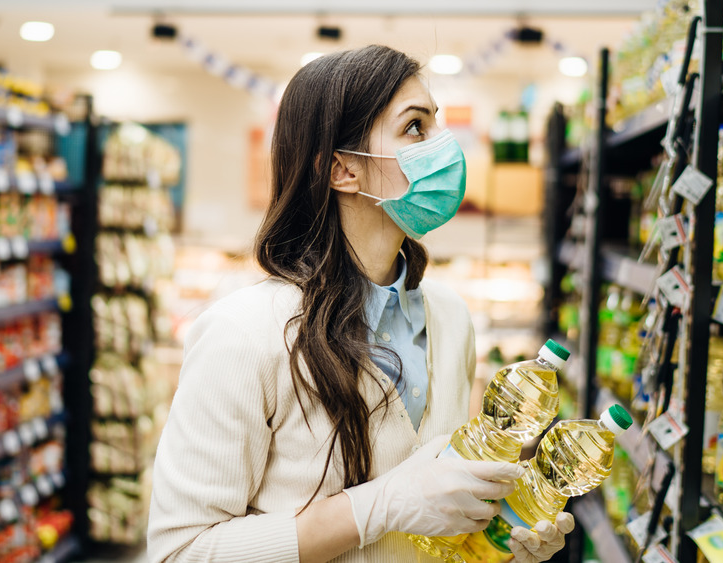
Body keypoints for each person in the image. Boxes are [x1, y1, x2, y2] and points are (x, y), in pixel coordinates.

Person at [147, 44, 574, 563]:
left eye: (438, 125)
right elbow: (182, 551)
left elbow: (431, 524)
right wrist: (380, 505)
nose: (448, 148)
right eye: (416, 128)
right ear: (342, 170)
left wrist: (496, 544)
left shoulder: (449, 319)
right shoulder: (244, 334)